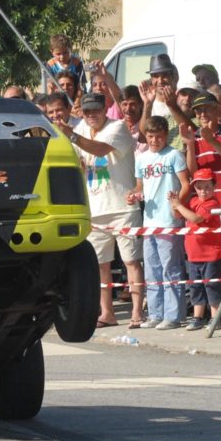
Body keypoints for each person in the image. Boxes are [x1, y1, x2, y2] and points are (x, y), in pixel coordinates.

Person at [61, 93, 145, 329]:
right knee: (100, 265)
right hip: (95, 208)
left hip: (122, 207)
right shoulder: (82, 130)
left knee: (131, 262)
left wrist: (72, 135)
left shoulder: (118, 127)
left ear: (105, 109)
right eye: (87, 112)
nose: (91, 115)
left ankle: (137, 312)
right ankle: (107, 313)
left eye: (95, 110)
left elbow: (99, 150)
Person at [125, 115, 190, 330]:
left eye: (158, 137)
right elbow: (140, 187)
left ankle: (173, 315)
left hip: (169, 220)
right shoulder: (142, 159)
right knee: (152, 268)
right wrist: (134, 195)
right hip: (149, 220)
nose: (154, 141)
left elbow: (185, 184)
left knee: (170, 267)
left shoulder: (174, 155)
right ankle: (155, 312)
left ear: (165, 136)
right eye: (151, 137)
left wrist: (178, 204)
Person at [168, 169, 221, 330]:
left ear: (213, 187)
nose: (203, 191)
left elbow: (196, 218)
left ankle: (215, 318)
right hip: (193, 254)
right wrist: (174, 203)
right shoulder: (192, 202)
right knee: (195, 286)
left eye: (207, 187)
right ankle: (198, 317)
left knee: (211, 286)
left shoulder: (212, 203)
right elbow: (178, 215)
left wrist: (178, 205)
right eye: (199, 187)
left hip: (211, 254)